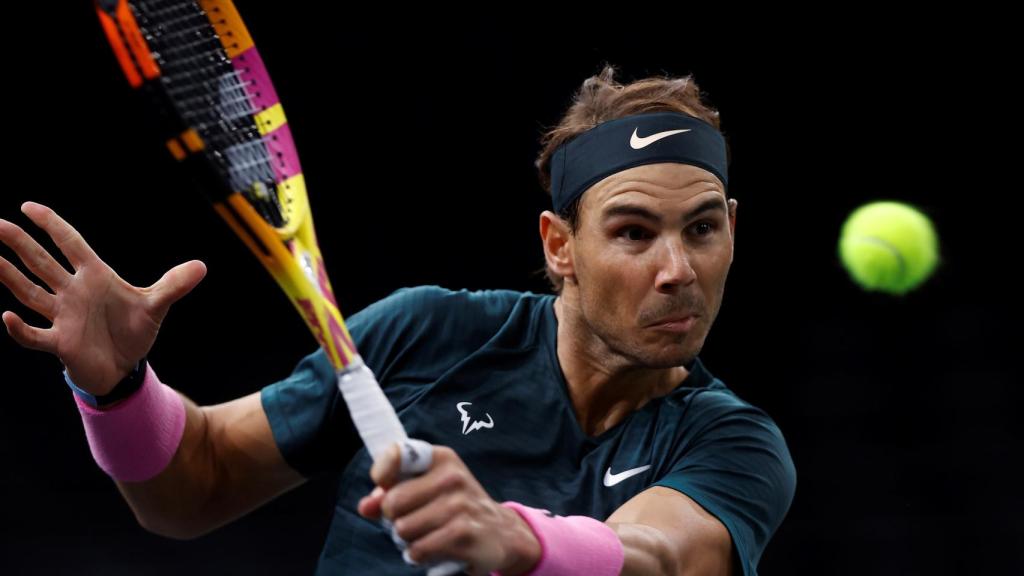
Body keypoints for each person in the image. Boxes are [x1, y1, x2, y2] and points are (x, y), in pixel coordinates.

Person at [0, 65, 795, 575]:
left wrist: (516, 538)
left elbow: (655, 556)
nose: (677, 270)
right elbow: (193, 486)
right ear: (559, 246)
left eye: (701, 228)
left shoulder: (733, 443)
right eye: (631, 232)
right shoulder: (428, 336)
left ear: (732, 227)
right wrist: (118, 389)